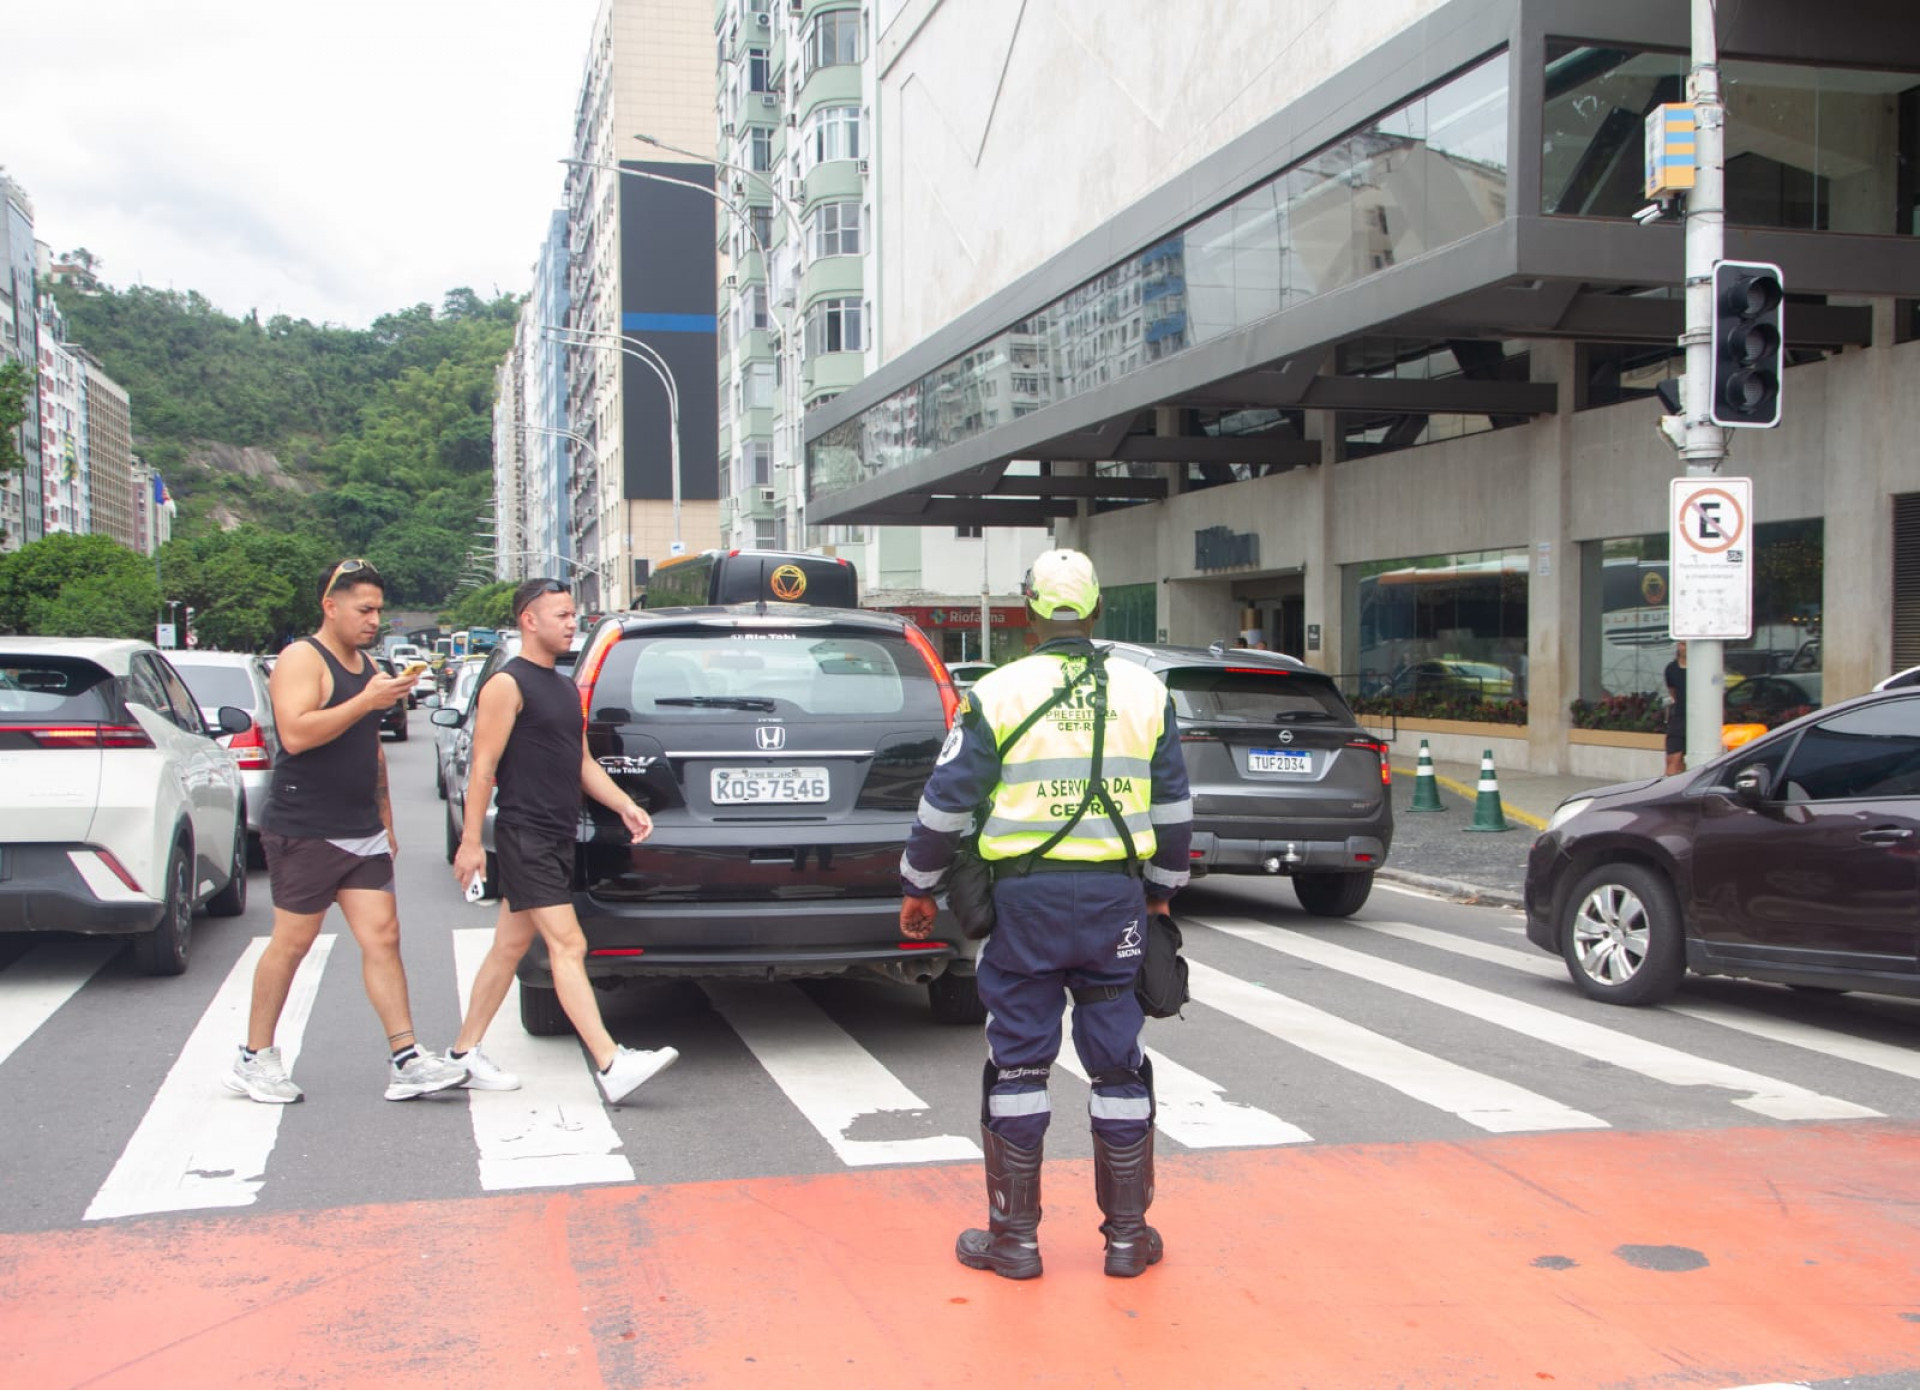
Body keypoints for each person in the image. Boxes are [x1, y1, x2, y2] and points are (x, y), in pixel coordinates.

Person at [900, 549, 1193, 1281]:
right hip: (1114, 901)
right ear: (1096, 611)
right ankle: (1127, 1239)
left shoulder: (996, 692)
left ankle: (1015, 1241)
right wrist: (1161, 890)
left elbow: (946, 802)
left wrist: (918, 884)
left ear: (1029, 615)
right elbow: (1174, 808)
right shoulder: (1145, 691)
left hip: (1024, 903)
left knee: (1020, 1062)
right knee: (1118, 1065)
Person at [227, 560, 468, 1104]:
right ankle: (254, 1057)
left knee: (383, 937)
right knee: (293, 942)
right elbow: (295, 733)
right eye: (364, 609)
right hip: (307, 826)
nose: (374, 620)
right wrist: (367, 700)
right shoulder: (302, 658)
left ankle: (406, 1059)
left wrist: (385, 819)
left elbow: (370, 748)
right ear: (330, 607)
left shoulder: (367, 664)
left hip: (361, 828)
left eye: (378, 610)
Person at [448, 578, 678, 1104]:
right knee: (568, 945)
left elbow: (580, 763)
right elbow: (482, 767)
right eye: (562, 615)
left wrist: (623, 804)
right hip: (525, 833)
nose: (572, 623)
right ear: (529, 620)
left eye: (573, 614)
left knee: (509, 947)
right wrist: (469, 842)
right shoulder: (507, 685)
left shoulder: (562, 687)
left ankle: (464, 1054)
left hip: (557, 832)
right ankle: (611, 1063)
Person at [1664, 640, 1688, 776]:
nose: (1686, 648)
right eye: (1683, 644)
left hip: (1701, 720)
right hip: (1679, 719)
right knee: (1673, 760)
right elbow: (1672, 692)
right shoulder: (1671, 669)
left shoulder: (1703, 667)